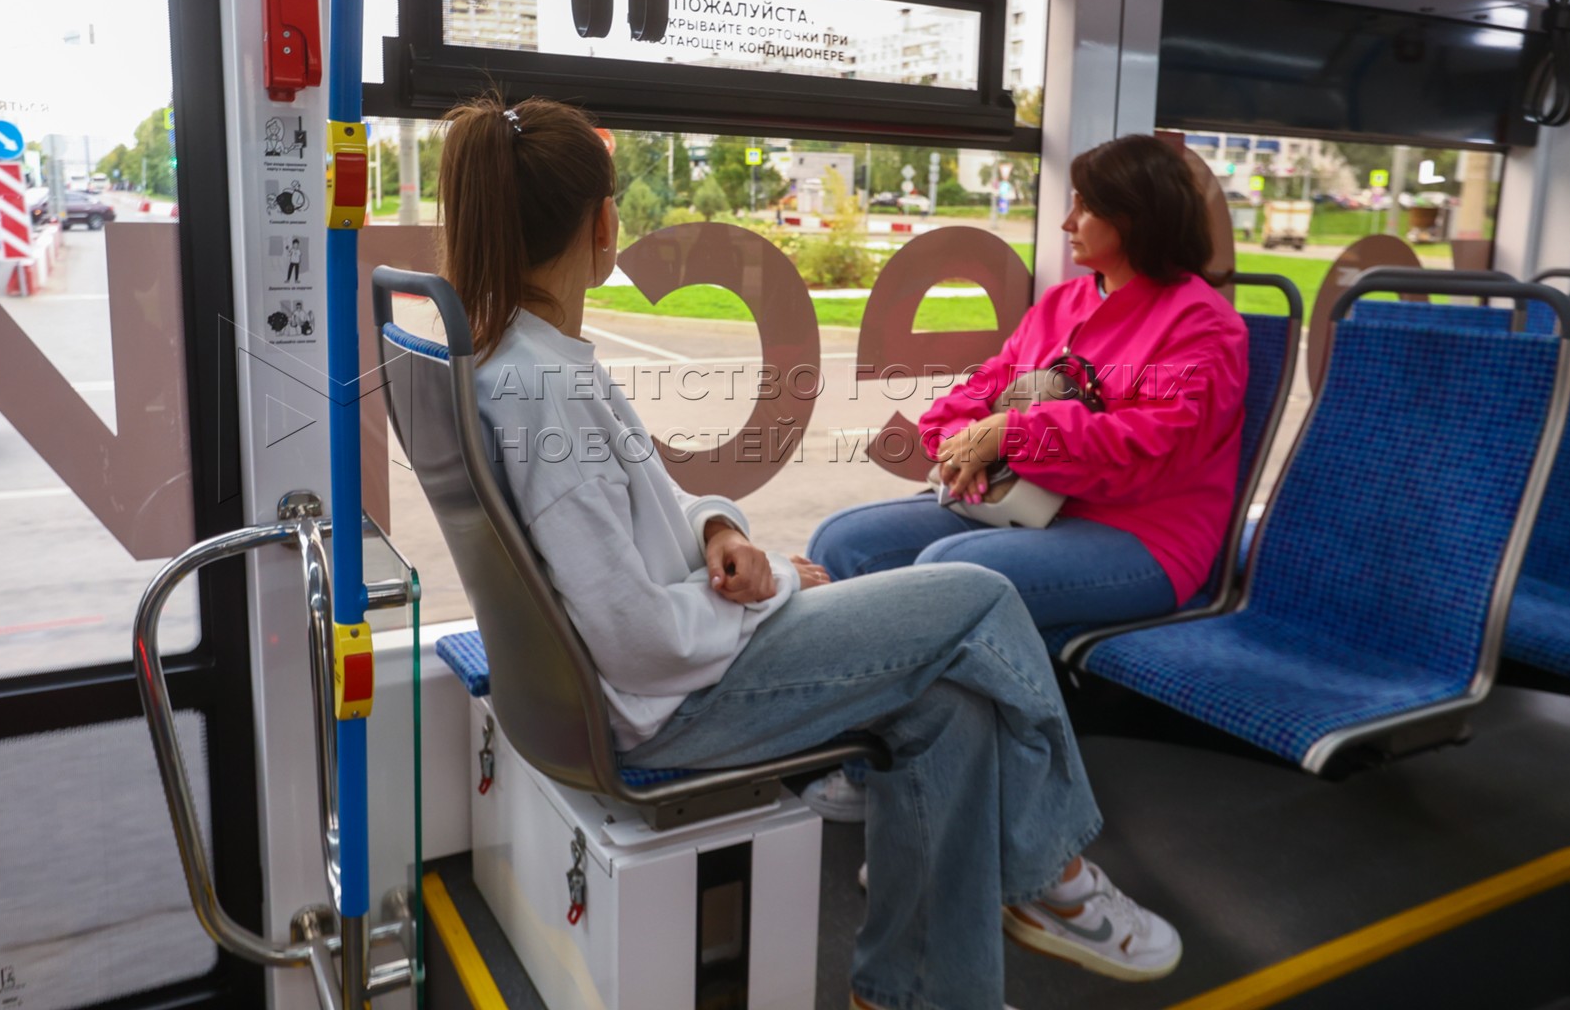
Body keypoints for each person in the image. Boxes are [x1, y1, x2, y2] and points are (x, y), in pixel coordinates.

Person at [438, 94, 1183, 1009]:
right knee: (982, 596)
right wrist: (781, 587)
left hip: (676, 657)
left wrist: (720, 531)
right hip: (672, 697)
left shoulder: (528, 362)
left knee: (950, 708)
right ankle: (1049, 871)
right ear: (603, 224)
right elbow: (636, 639)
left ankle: (914, 992)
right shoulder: (543, 390)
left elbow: (651, 506)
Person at [801, 134, 1249, 828]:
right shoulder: (1063, 305)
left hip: (1143, 534)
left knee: (953, 571)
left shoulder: (1202, 325)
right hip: (1031, 500)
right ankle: (872, 761)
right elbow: (978, 393)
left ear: (1136, 218)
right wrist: (965, 443)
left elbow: (1149, 449)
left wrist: (1011, 436)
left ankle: (967, 798)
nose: (1067, 222)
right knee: (845, 542)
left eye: (1085, 207)